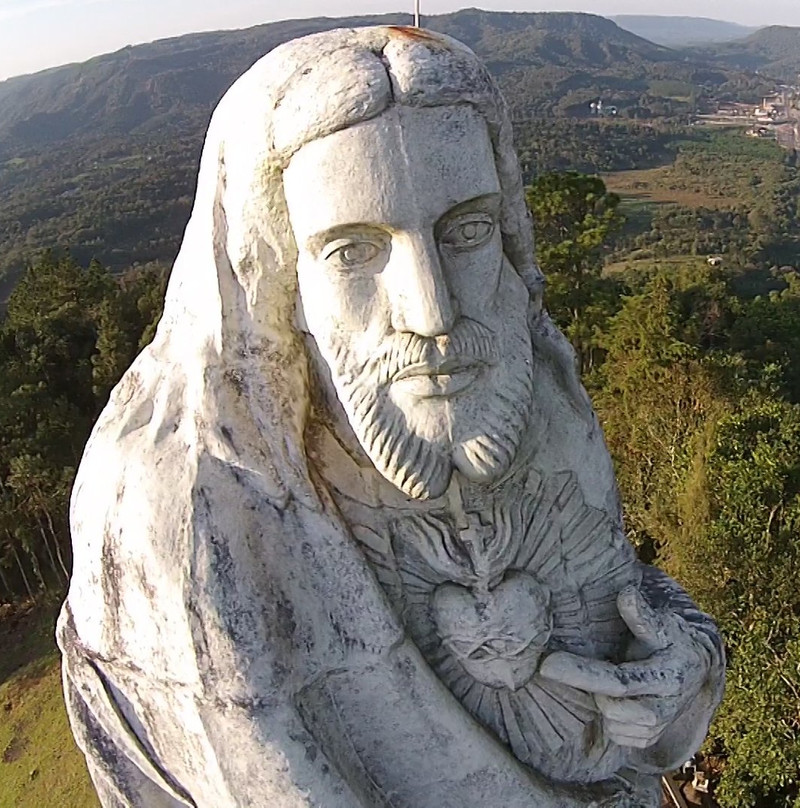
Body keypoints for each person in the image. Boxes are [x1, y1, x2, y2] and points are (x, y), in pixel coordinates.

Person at [59, 26, 725, 808]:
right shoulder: (192, 509)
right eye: (353, 253)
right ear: (279, 284)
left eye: (467, 233)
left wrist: (684, 673)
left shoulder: (538, 398)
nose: (433, 311)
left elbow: (618, 614)